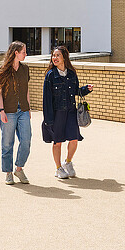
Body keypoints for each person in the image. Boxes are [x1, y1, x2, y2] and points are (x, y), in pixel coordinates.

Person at [42, 45, 93, 179]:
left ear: (64, 57)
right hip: (57, 113)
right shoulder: (50, 76)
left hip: (71, 111)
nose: (55, 58)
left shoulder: (71, 73)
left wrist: (85, 89)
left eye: (57, 55)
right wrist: (48, 120)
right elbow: (46, 99)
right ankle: (58, 168)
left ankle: (68, 162)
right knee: (57, 142)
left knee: (74, 139)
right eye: (53, 55)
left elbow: (76, 90)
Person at [0, 41, 31, 185]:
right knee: (7, 143)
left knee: (26, 141)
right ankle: (8, 172)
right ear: (16, 52)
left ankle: (19, 169)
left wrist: (29, 108)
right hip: (8, 111)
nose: (26, 54)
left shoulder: (25, 69)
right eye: (24, 52)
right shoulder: (3, 69)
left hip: (23, 111)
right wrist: (1, 110)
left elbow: (26, 89)